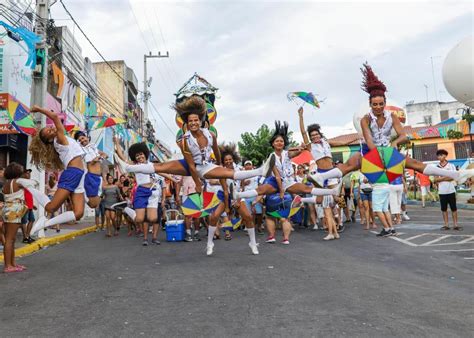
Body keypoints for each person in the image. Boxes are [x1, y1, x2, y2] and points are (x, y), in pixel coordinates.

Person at [308, 63, 474, 189]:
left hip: (387, 150)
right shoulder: (365, 120)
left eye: (381, 104)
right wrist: (380, 153)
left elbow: (402, 135)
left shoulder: (392, 117)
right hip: (370, 151)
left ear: (385, 103)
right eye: (375, 104)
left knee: (415, 163)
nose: (378, 107)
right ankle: (322, 178)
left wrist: (394, 143)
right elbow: (369, 141)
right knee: (352, 162)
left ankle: (455, 174)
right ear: (370, 104)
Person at [114, 96, 276, 192]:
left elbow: (216, 152)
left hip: (205, 166)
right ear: (187, 122)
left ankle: (261, 171)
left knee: (229, 174)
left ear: (201, 121)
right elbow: (191, 166)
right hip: (191, 165)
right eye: (190, 121)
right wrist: (198, 184)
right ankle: (128, 167)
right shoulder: (185, 140)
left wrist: (219, 165)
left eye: (196, 120)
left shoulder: (210, 134)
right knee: (161, 167)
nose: (193, 123)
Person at [235, 121, 341, 202]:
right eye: (277, 141)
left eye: (281, 141)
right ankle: (238, 195)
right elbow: (277, 176)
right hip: (275, 182)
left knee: (306, 189)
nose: (279, 143)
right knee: (260, 190)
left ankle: (333, 191)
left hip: (288, 181)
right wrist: (281, 191)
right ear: (273, 144)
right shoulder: (271, 156)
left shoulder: (287, 153)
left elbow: (295, 153)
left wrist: (300, 149)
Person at [27, 105, 86, 234]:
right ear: (49, 139)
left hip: (80, 174)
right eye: (48, 131)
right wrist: (39, 109)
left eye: (48, 128)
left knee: (79, 213)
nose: (51, 128)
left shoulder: (62, 139)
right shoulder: (59, 139)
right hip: (73, 173)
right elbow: (54, 117)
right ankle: (28, 187)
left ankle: (46, 223)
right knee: (51, 207)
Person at [207, 143, 259, 255]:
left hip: (237, 195)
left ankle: (253, 243)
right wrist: (227, 207)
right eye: (226, 160)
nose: (228, 161)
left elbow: (241, 186)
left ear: (233, 159)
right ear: (223, 161)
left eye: (230, 159)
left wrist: (238, 200)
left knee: (248, 217)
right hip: (224, 196)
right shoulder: (220, 171)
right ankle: (210, 243)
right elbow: (226, 191)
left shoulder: (239, 169)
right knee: (214, 217)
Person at [115, 139, 164, 245]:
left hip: (153, 192)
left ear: (145, 154)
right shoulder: (134, 166)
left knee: (153, 218)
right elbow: (122, 156)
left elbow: (162, 172)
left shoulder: (151, 164)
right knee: (140, 219)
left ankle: (153, 237)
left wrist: (174, 179)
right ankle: (125, 207)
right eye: (137, 156)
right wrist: (117, 143)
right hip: (141, 191)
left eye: (141, 154)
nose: (139, 157)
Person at [2, 163, 37, 272]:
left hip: (7, 209)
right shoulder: (18, 182)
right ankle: (8, 266)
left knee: (10, 239)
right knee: (9, 239)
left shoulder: (6, 184)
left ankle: (12, 264)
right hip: (14, 210)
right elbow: (35, 183)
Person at [74, 131, 108, 209]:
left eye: (82, 138)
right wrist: (94, 160)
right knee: (93, 205)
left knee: (96, 204)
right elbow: (90, 163)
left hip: (99, 177)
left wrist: (100, 157)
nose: (82, 140)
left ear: (86, 137)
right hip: (91, 177)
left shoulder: (94, 147)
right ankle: (81, 192)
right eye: (79, 140)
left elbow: (106, 155)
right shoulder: (81, 150)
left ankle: (81, 191)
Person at [434, 150, 461, 230]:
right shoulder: (436, 167)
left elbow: (453, 177)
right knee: (444, 209)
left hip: (451, 190)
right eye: (438, 155)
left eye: (441, 155)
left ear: (445, 156)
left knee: (454, 208)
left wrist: (441, 178)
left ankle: (455, 224)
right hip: (442, 191)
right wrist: (446, 177)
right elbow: (435, 180)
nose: (439, 157)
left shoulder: (451, 165)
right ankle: (446, 224)